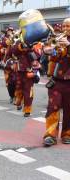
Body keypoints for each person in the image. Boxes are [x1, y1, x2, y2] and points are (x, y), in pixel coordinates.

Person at [42, 18, 70, 146]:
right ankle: (50, 134)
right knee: (53, 107)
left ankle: (67, 134)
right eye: (64, 26)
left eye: (68, 26)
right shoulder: (57, 38)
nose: (65, 29)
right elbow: (49, 53)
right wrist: (50, 49)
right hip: (56, 81)